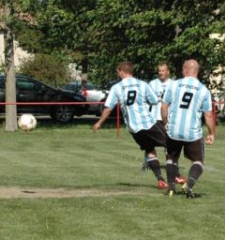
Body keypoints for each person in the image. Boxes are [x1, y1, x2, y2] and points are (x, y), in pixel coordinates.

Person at [92, 61, 169, 189]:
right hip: (148, 123)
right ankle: (175, 175)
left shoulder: (116, 87)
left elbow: (108, 107)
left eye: (118, 72)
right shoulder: (142, 84)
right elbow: (155, 101)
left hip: (134, 128)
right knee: (170, 144)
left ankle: (160, 179)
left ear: (122, 71)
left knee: (149, 150)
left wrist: (99, 122)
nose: (118, 74)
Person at [161, 59, 215, 198]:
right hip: (192, 133)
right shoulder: (203, 90)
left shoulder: (173, 85)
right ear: (197, 72)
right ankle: (189, 184)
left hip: (173, 130)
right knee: (198, 161)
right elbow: (208, 115)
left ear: (185, 70)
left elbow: (164, 107)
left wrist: (165, 123)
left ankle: (171, 188)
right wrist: (211, 133)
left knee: (171, 158)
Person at [145, 63, 185, 185]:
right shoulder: (152, 84)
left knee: (169, 145)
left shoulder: (174, 84)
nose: (161, 73)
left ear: (168, 72)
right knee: (150, 145)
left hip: (169, 119)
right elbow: (147, 100)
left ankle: (173, 172)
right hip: (154, 119)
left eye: (163, 70)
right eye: (159, 71)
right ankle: (160, 173)